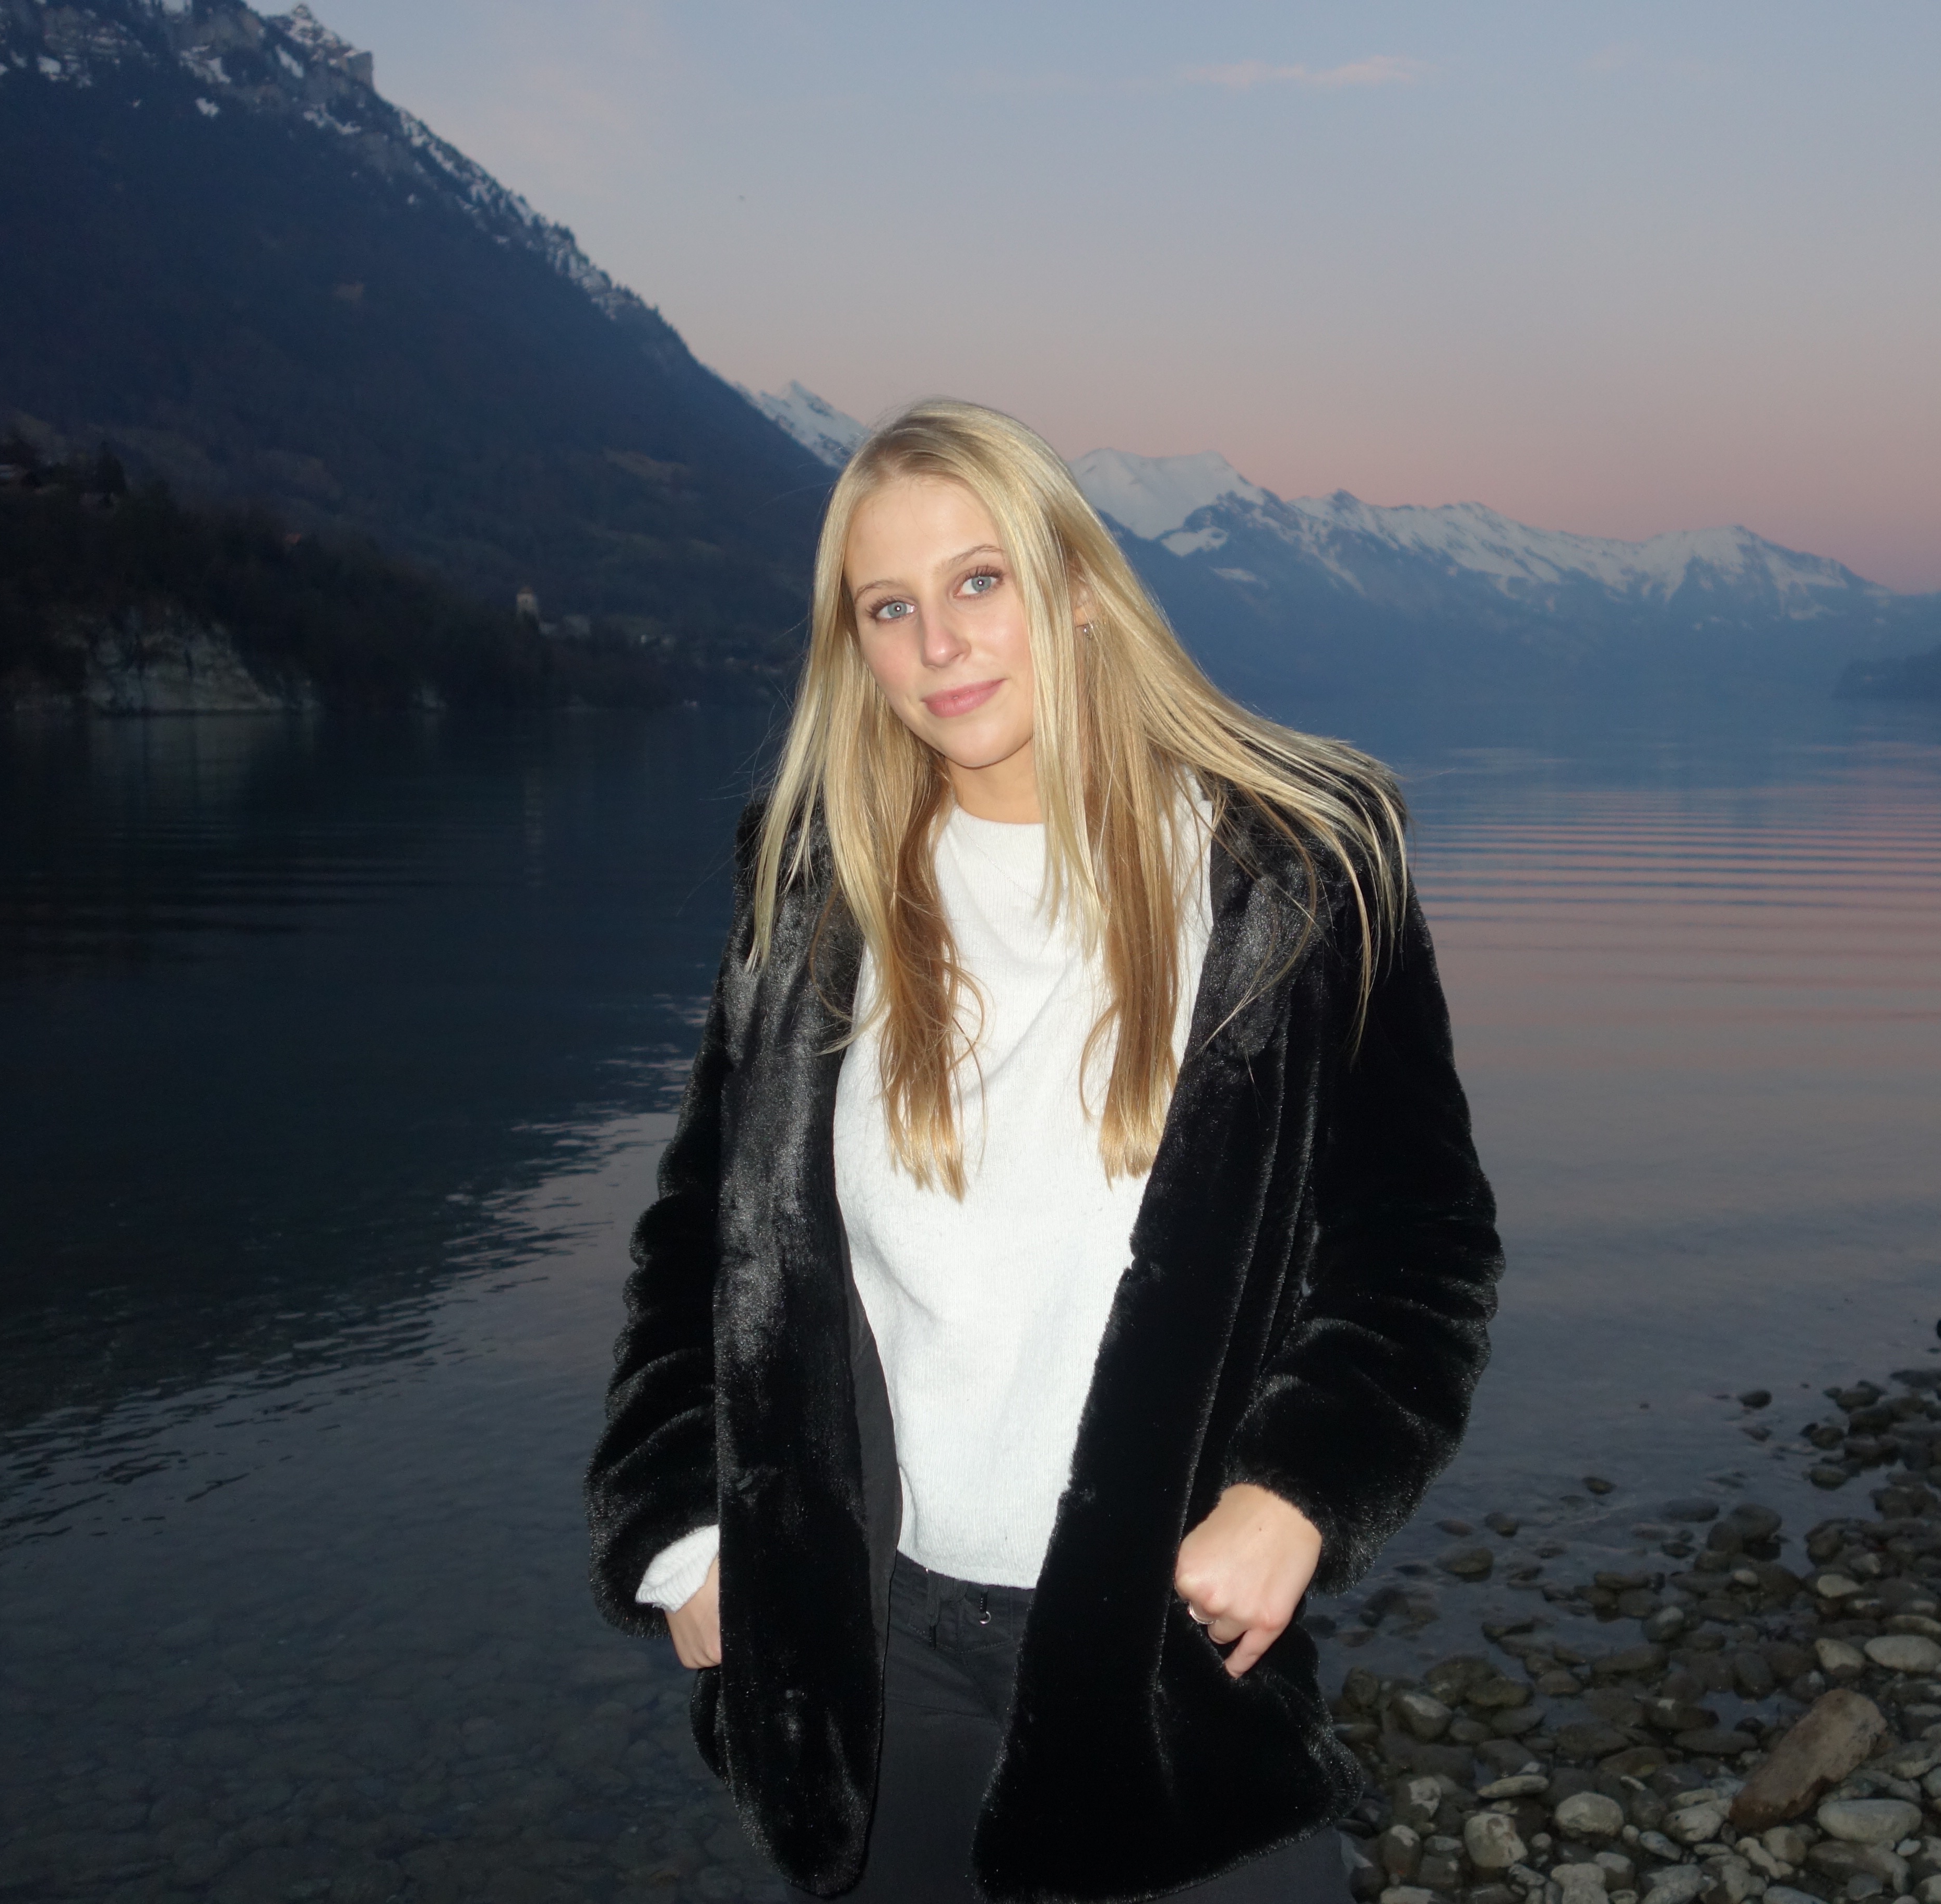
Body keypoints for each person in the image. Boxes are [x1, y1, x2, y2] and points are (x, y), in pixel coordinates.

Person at [584, 399, 1501, 1902]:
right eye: (889, 607)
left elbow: (1419, 1246)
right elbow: (699, 1243)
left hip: (1172, 1664)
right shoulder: (813, 887)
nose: (940, 643)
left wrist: (1300, 1491)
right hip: (876, 1665)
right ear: (855, 647)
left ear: (1073, 585)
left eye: (979, 579)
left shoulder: (1300, 869)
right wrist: (682, 1529)